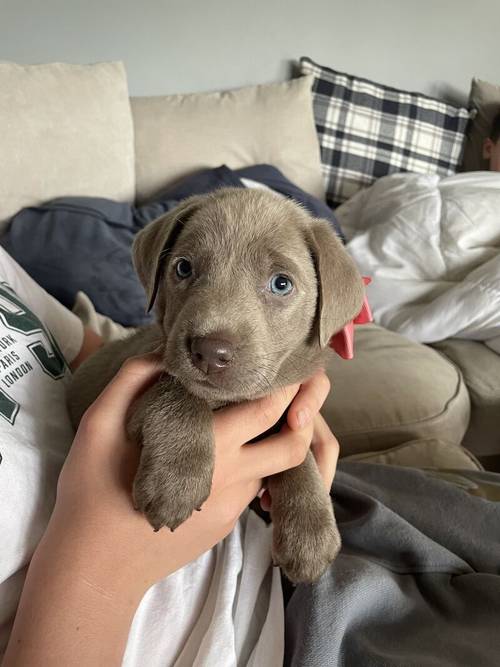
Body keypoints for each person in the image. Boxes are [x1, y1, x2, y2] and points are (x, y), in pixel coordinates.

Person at [0, 245, 338, 666]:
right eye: (185, 269)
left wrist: (281, 422)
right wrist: (102, 567)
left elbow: (95, 357)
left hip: (283, 575)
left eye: (280, 283)